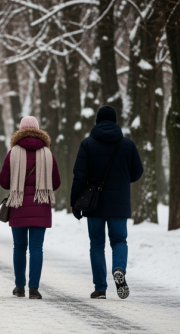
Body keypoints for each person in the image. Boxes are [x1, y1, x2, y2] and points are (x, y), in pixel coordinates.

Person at [71, 105, 143, 300]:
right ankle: (119, 268)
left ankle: (100, 288)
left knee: (96, 245)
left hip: (93, 204)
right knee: (119, 240)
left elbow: (79, 176)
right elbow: (137, 172)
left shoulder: (87, 144)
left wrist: (74, 203)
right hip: (119, 203)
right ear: (115, 121)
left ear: (97, 121)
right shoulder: (127, 145)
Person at [0, 116, 61, 300]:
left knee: (19, 247)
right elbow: (56, 183)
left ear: (20, 130)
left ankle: (19, 287)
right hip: (40, 207)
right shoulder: (48, 154)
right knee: (36, 248)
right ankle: (34, 288)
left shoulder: (13, 153)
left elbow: (3, 182)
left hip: (18, 206)